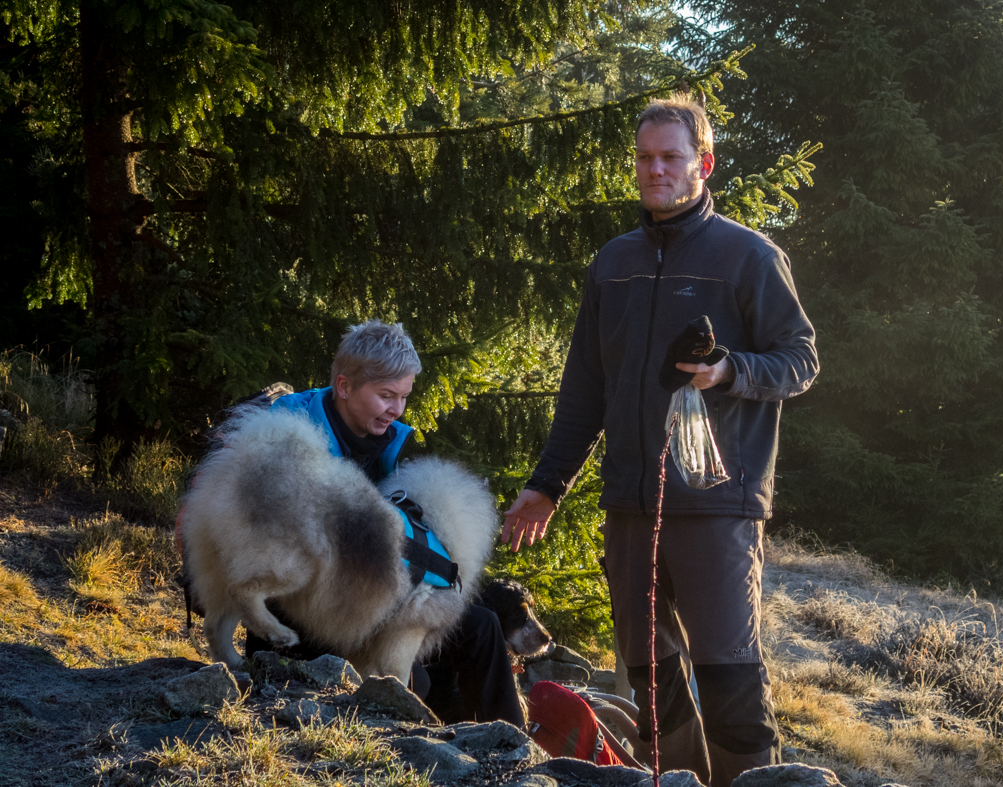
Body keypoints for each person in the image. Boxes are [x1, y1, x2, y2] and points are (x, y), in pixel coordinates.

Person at [501, 98, 819, 787]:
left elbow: (799, 359)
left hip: (717, 504)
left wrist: (730, 368)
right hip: (628, 505)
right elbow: (584, 391)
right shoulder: (612, 263)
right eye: (644, 158)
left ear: (702, 163)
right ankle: (675, 781)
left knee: (728, 671)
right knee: (650, 678)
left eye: (670, 157)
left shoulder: (748, 256)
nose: (655, 170)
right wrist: (546, 485)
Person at [243, 320, 524, 726]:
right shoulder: (290, 438)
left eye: (404, 397)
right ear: (344, 386)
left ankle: (507, 747)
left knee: (481, 627)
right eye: (386, 396)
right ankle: (428, 744)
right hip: (302, 609)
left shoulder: (388, 444)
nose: (396, 410)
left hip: (372, 592)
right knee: (421, 679)